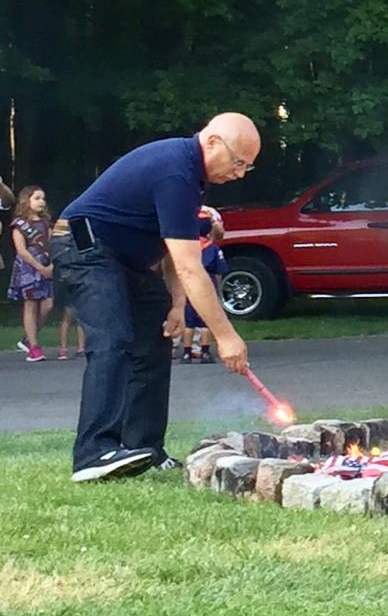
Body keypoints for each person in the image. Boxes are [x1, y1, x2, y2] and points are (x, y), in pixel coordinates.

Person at [55, 114, 255, 482]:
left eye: (248, 166)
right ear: (212, 143)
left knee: (157, 335)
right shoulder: (176, 171)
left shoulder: (191, 177)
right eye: (238, 162)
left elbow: (173, 248)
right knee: (113, 340)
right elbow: (192, 268)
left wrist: (176, 305)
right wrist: (225, 336)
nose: (240, 173)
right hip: (84, 247)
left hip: (123, 260)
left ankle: (145, 447)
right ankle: (93, 453)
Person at [10, 185, 55, 362]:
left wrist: (50, 265)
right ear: (26, 201)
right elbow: (21, 250)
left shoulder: (45, 223)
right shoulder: (19, 224)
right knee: (31, 305)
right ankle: (34, 347)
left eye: (43, 198)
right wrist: (38, 266)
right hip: (29, 268)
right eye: (37, 198)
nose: (41, 202)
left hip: (46, 265)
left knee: (48, 304)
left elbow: (52, 245)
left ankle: (28, 338)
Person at [179, 208, 226, 364]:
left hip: (188, 286)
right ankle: (205, 352)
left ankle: (186, 353)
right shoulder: (213, 249)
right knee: (205, 322)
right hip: (207, 284)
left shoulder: (187, 248)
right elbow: (221, 268)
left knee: (189, 322)